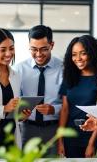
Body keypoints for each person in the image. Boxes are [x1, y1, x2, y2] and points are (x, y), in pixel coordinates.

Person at [14, 25, 63, 156]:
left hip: (54, 129)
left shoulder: (63, 68)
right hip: (27, 129)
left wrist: (54, 109)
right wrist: (20, 112)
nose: (39, 54)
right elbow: (14, 99)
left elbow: (70, 102)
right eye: (34, 49)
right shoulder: (19, 69)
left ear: (52, 45)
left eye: (44, 49)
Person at [57, 35, 97, 158]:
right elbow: (65, 109)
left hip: (93, 135)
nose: (78, 58)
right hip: (71, 135)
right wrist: (60, 140)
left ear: (92, 53)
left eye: (83, 53)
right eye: (74, 54)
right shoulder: (70, 77)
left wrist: (91, 144)